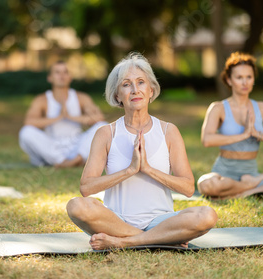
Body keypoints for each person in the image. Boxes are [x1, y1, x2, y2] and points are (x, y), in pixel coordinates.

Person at [66, 53, 218, 250]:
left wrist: (147, 168)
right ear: (117, 95)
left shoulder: (168, 131)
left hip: (161, 221)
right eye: (126, 84)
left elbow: (188, 187)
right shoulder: (106, 133)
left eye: (141, 82)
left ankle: (124, 242)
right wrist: (130, 170)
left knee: (207, 215)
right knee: (76, 206)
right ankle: (160, 239)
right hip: (115, 222)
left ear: (151, 89)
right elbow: (86, 187)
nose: (135, 90)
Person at [197, 52, 263, 199]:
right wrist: (243, 135)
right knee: (206, 185)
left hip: (251, 174)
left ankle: (247, 191)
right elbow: (207, 140)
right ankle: (252, 186)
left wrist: (258, 134)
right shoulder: (218, 108)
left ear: (253, 79)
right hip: (223, 173)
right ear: (229, 80)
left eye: (249, 77)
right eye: (239, 77)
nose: (245, 82)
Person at [19, 60, 107, 167]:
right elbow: (29, 122)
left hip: (76, 146)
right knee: (26, 132)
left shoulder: (81, 98)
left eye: (65, 72)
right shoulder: (42, 100)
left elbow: (99, 118)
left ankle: (76, 159)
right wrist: (59, 117)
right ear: (50, 77)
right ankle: (63, 162)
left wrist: (71, 117)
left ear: (70, 77)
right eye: (57, 72)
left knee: (103, 127)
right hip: (53, 148)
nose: (62, 76)